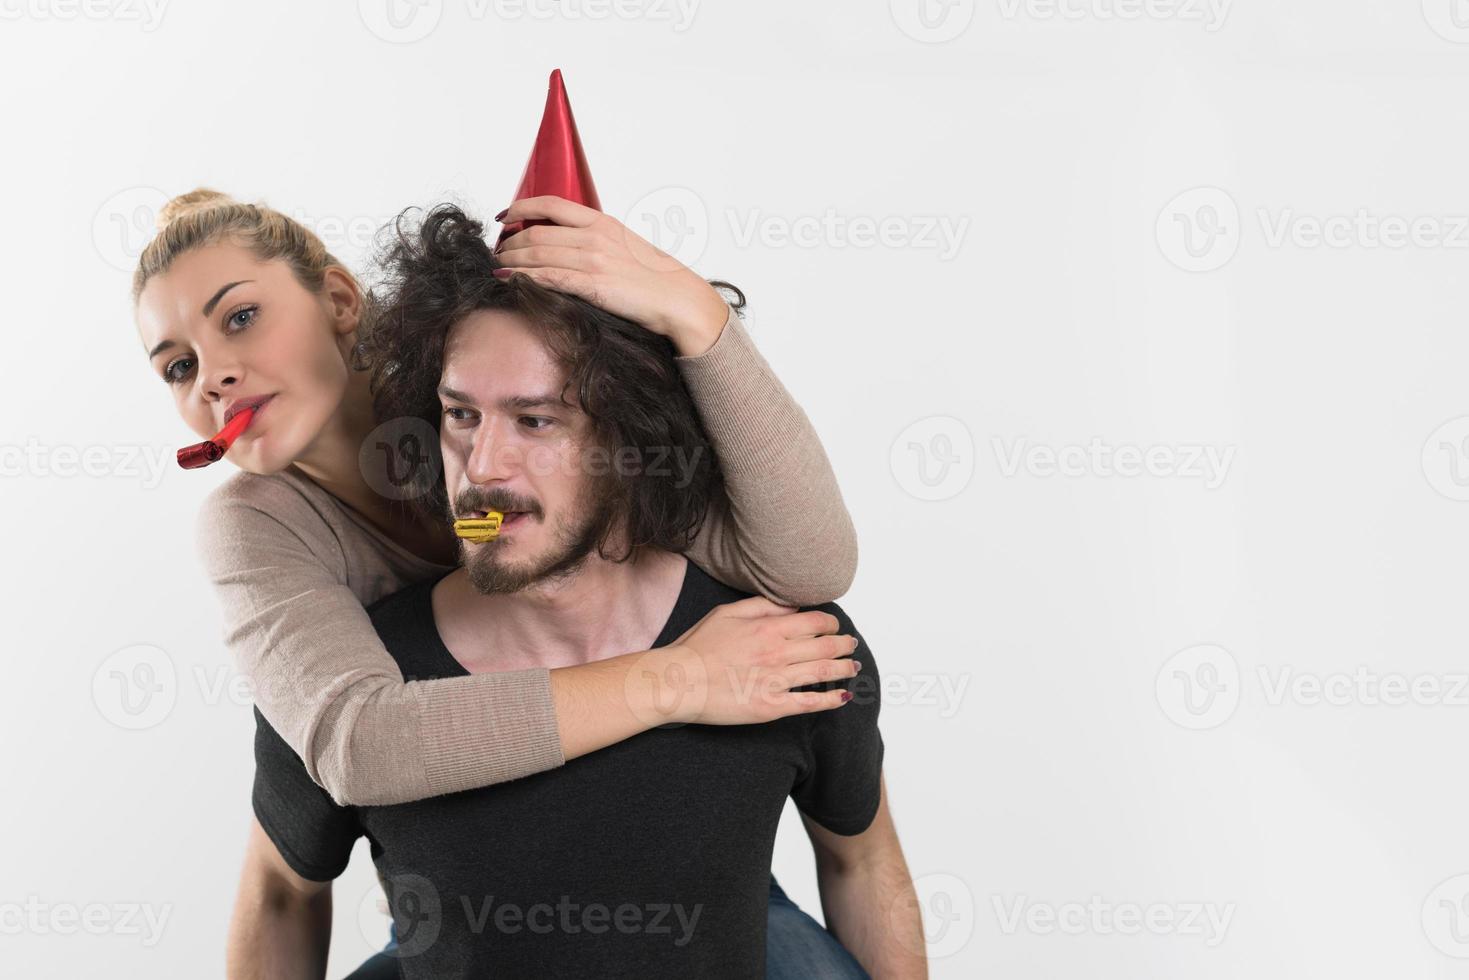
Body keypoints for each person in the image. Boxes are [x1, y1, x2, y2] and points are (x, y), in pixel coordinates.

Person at [132, 191, 871, 974]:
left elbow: (798, 563)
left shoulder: (471, 388)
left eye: (240, 318)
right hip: (455, 883)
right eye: (179, 366)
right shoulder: (261, 523)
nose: (214, 375)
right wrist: (680, 678)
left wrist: (695, 315)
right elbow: (358, 745)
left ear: (341, 300)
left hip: (706, 883)